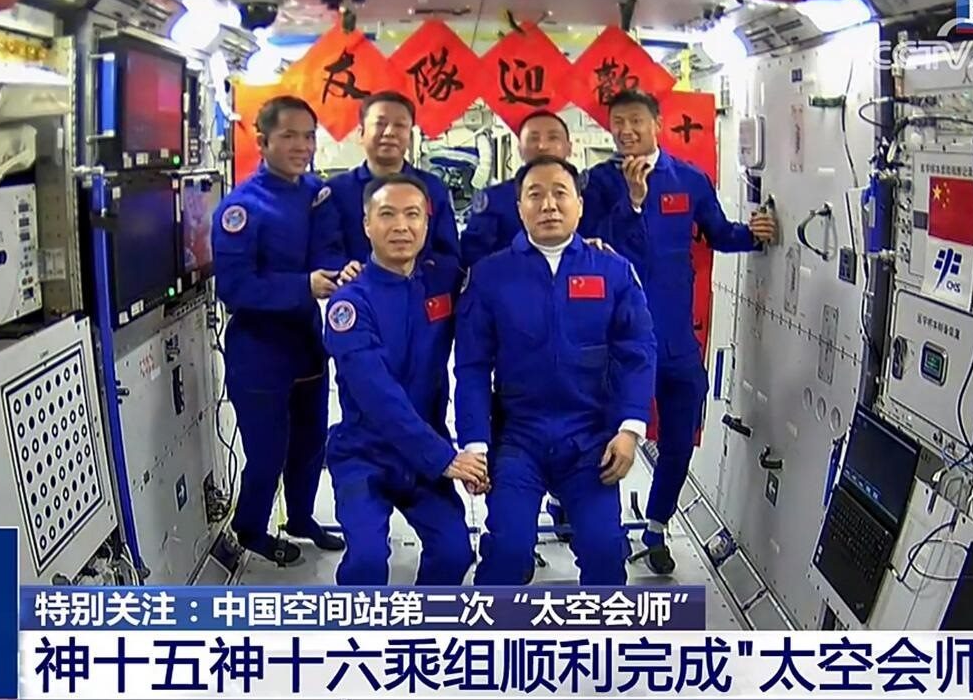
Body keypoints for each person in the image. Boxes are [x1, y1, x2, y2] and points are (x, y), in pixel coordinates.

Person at [581, 89, 776, 575]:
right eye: (617, 122)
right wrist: (633, 203)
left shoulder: (688, 180)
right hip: (616, 338)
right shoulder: (599, 183)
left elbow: (718, 233)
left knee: (680, 434)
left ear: (657, 123)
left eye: (635, 120)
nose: (626, 130)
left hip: (674, 337)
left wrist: (754, 234)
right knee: (606, 433)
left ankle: (656, 525)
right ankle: (601, 525)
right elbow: (588, 244)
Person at [455, 155, 658, 586]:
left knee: (605, 552)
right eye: (535, 195)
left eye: (560, 193)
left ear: (579, 205)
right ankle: (494, 626)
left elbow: (637, 353)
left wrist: (630, 429)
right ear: (520, 208)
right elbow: (472, 367)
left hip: (590, 439)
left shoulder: (613, 272)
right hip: (517, 439)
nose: (548, 204)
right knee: (507, 551)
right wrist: (475, 444)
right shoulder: (491, 276)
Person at [323, 173, 485, 585]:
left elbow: (505, 272)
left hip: (423, 454)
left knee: (454, 552)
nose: (401, 226)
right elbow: (378, 396)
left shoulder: (444, 279)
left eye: (412, 215)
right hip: (365, 453)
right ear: (366, 224)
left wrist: (582, 249)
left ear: (427, 224)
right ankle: (361, 625)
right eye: (387, 215)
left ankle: (421, 622)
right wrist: (445, 458)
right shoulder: (350, 303)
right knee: (366, 562)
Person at [212, 95, 352, 564]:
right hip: (259, 352)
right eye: (289, 135)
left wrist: (341, 272)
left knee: (310, 443)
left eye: (308, 136)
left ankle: (301, 516)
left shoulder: (316, 194)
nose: (301, 146)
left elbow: (329, 248)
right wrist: (303, 285)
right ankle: (250, 527)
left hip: (307, 345)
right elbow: (234, 287)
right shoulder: (241, 209)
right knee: (268, 452)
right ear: (263, 140)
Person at [325, 91, 461, 265]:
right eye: (380, 124)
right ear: (361, 133)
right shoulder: (336, 191)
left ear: (410, 137)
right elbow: (326, 251)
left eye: (400, 125)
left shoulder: (433, 188)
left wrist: (413, 275)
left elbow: (449, 256)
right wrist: (348, 272)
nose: (389, 132)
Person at [460, 110, 575, 267]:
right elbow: (473, 256)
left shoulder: (588, 195)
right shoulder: (494, 200)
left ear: (569, 148)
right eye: (533, 139)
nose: (542, 146)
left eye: (553, 137)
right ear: (520, 149)